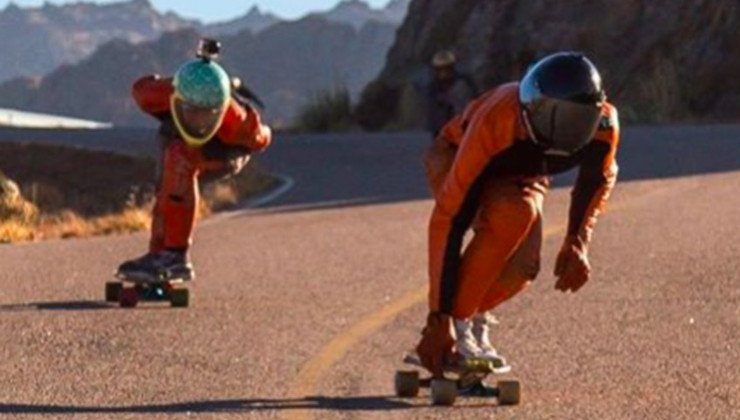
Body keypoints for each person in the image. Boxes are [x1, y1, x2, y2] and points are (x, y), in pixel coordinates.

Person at [418, 52, 620, 377]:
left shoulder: (603, 127)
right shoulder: (498, 121)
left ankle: (468, 316)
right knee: (515, 213)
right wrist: (438, 318)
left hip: (526, 175)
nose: (559, 128)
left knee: (524, 266)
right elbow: (449, 220)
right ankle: (456, 323)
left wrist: (577, 241)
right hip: (456, 155)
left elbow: (596, 181)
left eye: (571, 122)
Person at [117, 39, 272, 282]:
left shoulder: (240, 124)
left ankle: (176, 256)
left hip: (226, 152)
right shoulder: (154, 95)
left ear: (220, 109)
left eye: (207, 113)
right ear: (176, 98)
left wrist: (260, 132)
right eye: (191, 110)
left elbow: (263, 137)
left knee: (181, 161)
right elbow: (141, 88)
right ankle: (158, 254)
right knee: (168, 184)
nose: (199, 120)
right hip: (177, 142)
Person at [424, 50, 478, 138]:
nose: (444, 72)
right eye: (441, 69)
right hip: (443, 126)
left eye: (446, 68)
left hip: (463, 121)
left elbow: (475, 98)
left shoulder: (464, 81)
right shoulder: (433, 86)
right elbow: (432, 111)